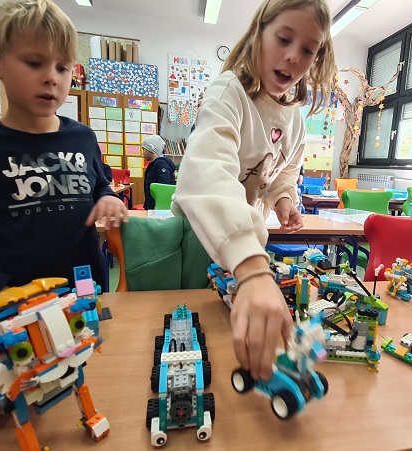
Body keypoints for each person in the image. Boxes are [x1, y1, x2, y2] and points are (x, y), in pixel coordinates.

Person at [0, 0, 128, 307]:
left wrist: (107, 197)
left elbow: (97, 184)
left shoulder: (82, 137)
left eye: (62, 67)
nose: (51, 77)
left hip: (87, 294)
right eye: (34, 63)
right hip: (18, 307)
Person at [172, 0, 335, 380]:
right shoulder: (228, 91)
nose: (293, 57)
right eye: (283, 39)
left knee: (232, 329)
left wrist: (284, 198)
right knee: (196, 329)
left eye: (308, 49)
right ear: (259, 33)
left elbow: (284, 169)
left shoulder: (294, 117)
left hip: (247, 239)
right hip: (203, 234)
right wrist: (251, 267)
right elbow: (208, 171)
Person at [142, 134, 176, 210]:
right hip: (153, 205)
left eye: (144, 149)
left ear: (151, 149)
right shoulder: (155, 164)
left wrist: (157, 207)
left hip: (159, 208)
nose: (143, 153)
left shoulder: (161, 164)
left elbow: (164, 188)